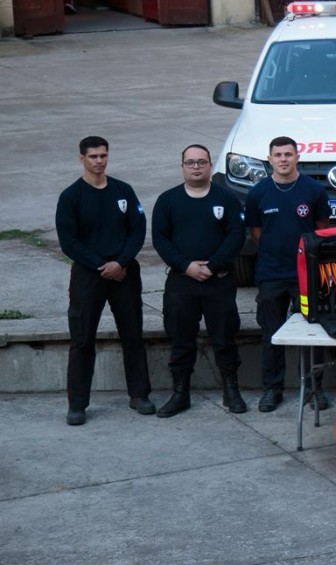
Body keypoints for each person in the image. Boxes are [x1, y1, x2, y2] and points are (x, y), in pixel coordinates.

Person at [56, 136, 153, 426]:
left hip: (124, 274)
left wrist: (121, 262)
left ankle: (139, 395)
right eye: (93, 156)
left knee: (133, 335)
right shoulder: (71, 197)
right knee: (82, 340)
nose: (99, 161)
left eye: (103, 156)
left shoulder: (123, 191)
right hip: (89, 276)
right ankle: (78, 405)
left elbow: (138, 229)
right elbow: (69, 242)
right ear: (81, 159)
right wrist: (102, 265)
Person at [150, 144, 248, 417]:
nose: (196, 167)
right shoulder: (168, 200)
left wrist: (213, 266)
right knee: (181, 340)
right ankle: (180, 394)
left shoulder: (226, 199)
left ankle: (232, 392)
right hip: (182, 284)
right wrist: (186, 266)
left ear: (209, 166)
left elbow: (236, 236)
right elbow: (160, 239)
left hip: (219, 282)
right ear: (182, 166)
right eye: (190, 162)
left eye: (201, 162)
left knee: (225, 338)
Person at [245, 136, 332, 412]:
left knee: (312, 331)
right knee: (271, 332)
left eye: (288, 154)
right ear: (269, 159)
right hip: (271, 275)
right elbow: (257, 233)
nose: (283, 159)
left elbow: (321, 228)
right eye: (278, 155)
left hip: (306, 276)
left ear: (297, 157)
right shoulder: (258, 192)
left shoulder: (313, 190)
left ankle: (314, 389)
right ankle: (272, 389)